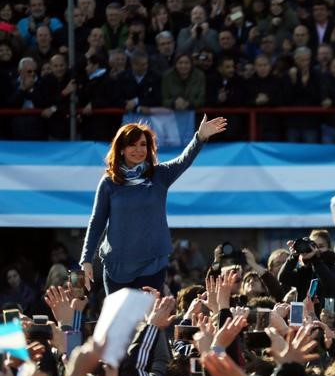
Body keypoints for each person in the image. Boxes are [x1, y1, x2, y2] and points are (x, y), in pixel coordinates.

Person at [79, 116, 228, 294]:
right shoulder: (109, 182)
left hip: (152, 265)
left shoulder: (159, 175)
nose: (139, 150)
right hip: (117, 268)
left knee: (148, 319)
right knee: (121, 321)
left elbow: (183, 161)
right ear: (121, 149)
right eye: (132, 145)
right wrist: (86, 259)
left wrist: (200, 137)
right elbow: (97, 222)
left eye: (143, 144)